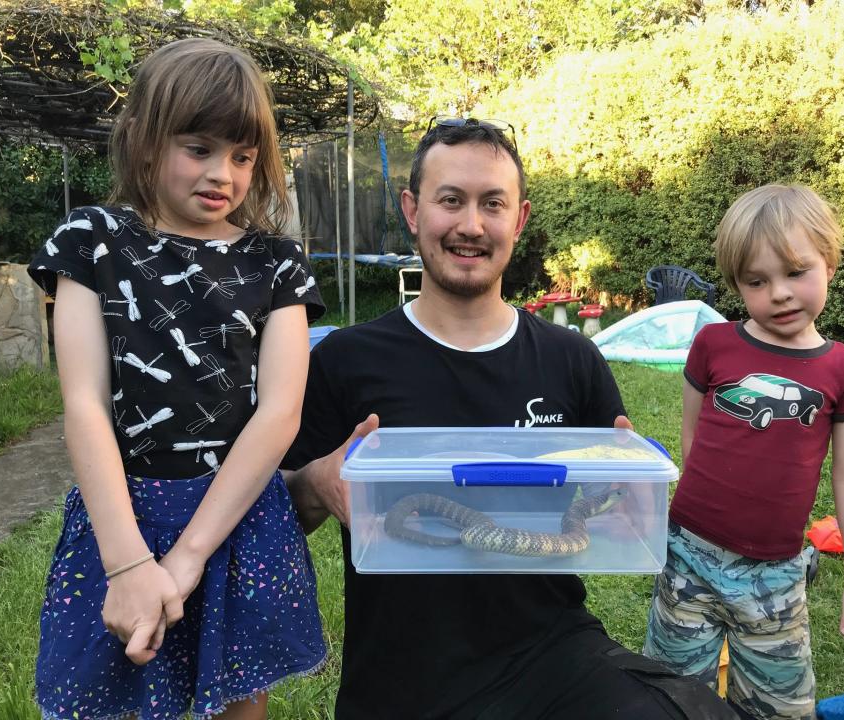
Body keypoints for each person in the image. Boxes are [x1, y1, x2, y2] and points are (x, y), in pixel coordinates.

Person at [283, 118, 736, 719]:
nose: (470, 225)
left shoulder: (571, 359)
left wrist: (626, 489)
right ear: (413, 211)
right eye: (451, 201)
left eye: (491, 204)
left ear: (518, 220)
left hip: (552, 651)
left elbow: (611, 500)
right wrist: (316, 482)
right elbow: (278, 509)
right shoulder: (345, 360)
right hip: (403, 674)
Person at [27, 38, 327, 720]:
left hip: (236, 519)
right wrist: (127, 562)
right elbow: (84, 405)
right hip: (122, 517)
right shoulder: (91, 242)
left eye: (243, 157)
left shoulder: (277, 265)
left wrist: (192, 554)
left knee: (237, 702)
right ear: (144, 140)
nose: (223, 173)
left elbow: (280, 413)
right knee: (113, 694)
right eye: (199, 148)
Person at [642, 184, 844, 720]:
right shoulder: (713, 345)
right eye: (757, 280)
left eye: (796, 271)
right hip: (688, 561)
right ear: (737, 285)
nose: (778, 293)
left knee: (783, 710)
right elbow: (694, 439)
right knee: (671, 702)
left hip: (776, 576)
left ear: (830, 264)